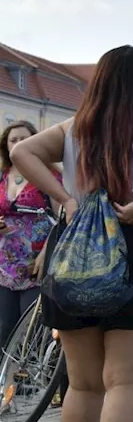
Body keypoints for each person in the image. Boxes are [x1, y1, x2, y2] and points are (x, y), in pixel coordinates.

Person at [11, 46, 133, 422]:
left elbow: (22, 151)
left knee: (84, 385)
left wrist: (66, 200)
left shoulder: (75, 127)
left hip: (74, 249)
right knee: (124, 382)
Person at [0, 121, 56, 345]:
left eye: (24, 139)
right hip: (5, 263)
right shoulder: (2, 175)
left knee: (31, 330)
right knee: (4, 327)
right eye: (13, 140)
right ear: (6, 145)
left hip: (37, 261)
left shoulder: (49, 173)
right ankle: (6, 378)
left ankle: (29, 377)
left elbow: (63, 216)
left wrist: (47, 251)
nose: (18, 144)